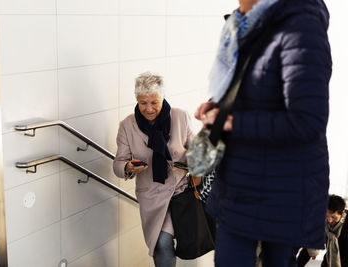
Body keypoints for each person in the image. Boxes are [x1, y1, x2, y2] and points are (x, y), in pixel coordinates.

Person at [194, 0, 332, 266]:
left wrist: (233, 122)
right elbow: (251, 91)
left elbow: (307, 122)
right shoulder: (245, 21)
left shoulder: (301, 26)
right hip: (239, 185)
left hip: (283, 192)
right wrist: (218, 107)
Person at [113, 72, 194, 267]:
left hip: (181, 193)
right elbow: (118, 163)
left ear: (162, 98)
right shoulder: (127, 125)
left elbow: (197, 152)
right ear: (137, 101)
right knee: (162, 242)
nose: (149, 109)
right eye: (143, 103)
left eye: (154, 102)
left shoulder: (180, 117)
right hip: (152, 197)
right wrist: (128, 167)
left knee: (191, 244)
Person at [321, 194, 348, 267]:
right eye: (326, 216)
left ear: (342, 213)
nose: (329, 220)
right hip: (328, 261)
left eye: (333, 217)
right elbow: (312, 240)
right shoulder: (323, 222)